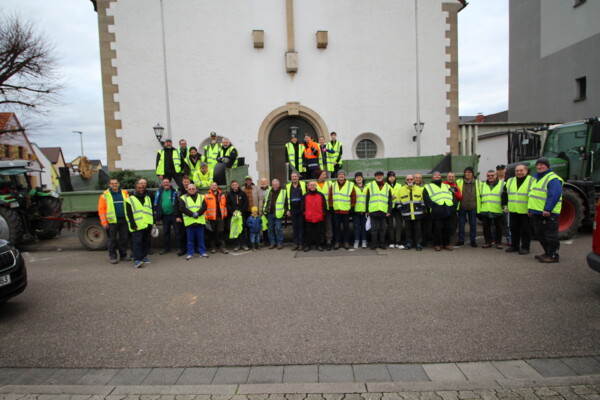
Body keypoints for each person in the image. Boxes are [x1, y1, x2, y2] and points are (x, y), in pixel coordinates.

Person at [528, 157, 563, 263]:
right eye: (537, 165)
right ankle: (547, 252)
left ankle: (553, 255)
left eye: (541, 165)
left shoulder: (553, 179)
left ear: (547, 166)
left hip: (548, 213)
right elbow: (532, 195)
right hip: (537, 212)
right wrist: (530, 209)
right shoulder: (535, 178)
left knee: (550, 235)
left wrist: (548, 209)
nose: (539, 167)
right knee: (540, 234)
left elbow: (554, 195)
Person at [503, 163, 533, 255]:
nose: (519, 172)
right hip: (513, 209)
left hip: (525, 211)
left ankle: (525, 247)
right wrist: (504, 205)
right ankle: (514, 246)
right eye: (517, 171)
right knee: (513, 228)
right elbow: (505, 194)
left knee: (526, 230)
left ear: (526, 171)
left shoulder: (532, 181)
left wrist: (531, 209)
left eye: (521, 171)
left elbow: (534, 196)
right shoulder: (510, 181)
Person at [98, 178, 130, 264]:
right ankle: (113, 256)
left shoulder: (125, 193)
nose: (114, 185)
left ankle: (123, 255)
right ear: (109, 185)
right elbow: (101, 210)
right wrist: (104, 222)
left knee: (124, 239)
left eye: (116, 183)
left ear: (118, 184)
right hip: (112, 222)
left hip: (124, 220)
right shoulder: (104, 195)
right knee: (112, 240)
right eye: (112, 183)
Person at [424, 171, 456, 251]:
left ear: (440, 177)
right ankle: (437, 244)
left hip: (447, 209)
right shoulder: (428, 187)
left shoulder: (446, 185)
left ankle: (446, 244)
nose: (437, 176)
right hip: (437, 211)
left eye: (438, 175)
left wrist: (453, 207)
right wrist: (434, 207)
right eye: (435, 175)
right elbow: (426, 199)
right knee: (437, 229)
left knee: (448, 228)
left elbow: (453, 196)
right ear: (433, 177)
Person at [126, 181, 154, 268]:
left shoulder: (147, 198)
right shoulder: (130, 199)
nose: (141, 189)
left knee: (145, 242)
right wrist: (132, 224)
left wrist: (152, 223)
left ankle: (144, 257)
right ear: (136, 189)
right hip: (137, 225)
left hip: (146, 224)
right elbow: (129, 214)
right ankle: (137, 260)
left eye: (142, 188)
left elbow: (150, 211)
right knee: (137, 243)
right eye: (139, 188)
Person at [179, 183, 209, 260]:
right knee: (190, 239)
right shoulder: (183, 198)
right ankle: (190, 253)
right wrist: (192, 214)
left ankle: (202, 252)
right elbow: (182, 208)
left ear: (196, 189)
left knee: (201, 238)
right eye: (190, 189)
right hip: (190, 221)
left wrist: (198, 213)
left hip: (199, 221)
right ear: (187, 189)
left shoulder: (201, 197)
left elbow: (204, 207)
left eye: (193, 189)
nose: (191, 190)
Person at [153, 178, 182, 255]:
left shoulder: (175, 192)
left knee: (177, 232)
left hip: (174, 215)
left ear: (170, 183)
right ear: (162, 184)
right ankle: (166, 248)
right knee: (166, 233)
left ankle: (180, 248)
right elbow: (157, 204)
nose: (166, 184)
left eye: (167, 182)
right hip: (165, 216)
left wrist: (178, 215)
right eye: (164, 182)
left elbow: (179, 204)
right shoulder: (159, 192)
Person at [329, 170, 356, 250]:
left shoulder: (350, 185)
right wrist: (331, 206)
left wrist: (352, 206)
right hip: (336, 210)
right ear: (337, 176)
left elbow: (353, 197)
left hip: (346, 210)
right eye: (339, 175)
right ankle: (337, 242)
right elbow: (330, 196)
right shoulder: (333, 185)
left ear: (345, 176)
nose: (341, 176)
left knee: (346, 227)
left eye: (342, 175)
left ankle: (346, 242)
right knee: (336, 227)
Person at [398, 174, 425, 251]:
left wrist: (421, 208)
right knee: (408, 230)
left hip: (417, 214)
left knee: (418, 229)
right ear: (405, 180)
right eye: (408, 179)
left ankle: (418, 243)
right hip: (407, 214)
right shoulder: (401, 190)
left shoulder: (419, 189)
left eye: (411, 179)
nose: (409, 181)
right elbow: (398, 202)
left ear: (413, 180)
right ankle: (409, 243)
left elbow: (423, 201)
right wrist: (402, 210)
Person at [366, 170, 392, 250]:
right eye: (377, 175)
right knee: (373, 229)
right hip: (373, 210)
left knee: (382, 229)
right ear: (375, 177)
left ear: (383, 176)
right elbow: (367, 199)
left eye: (380, 175)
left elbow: (390, 200)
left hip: (383, 210)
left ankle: (382, 244)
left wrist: (389, 211)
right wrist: (367, 210)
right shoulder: (370, 185)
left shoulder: (387, 186)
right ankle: (373, 244)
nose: (379, 177)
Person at [479, 170, 505, 249]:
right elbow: (480, 196)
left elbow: (505, 197)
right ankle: (488, 242)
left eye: (492, 175)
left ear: (496, 175)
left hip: (497, 209)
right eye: (488, 175)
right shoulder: (482, 185)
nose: (490, 177)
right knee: (486, 228)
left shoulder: (502, 184)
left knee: (498, 228)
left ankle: (498, 242)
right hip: (486, 209)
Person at [455, 167, 480, 248]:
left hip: (473, 207)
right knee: (461, 225)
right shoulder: (459, 182)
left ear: (472, 173)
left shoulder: (478, 183)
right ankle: (461, 240)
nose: (467, 174)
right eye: (466, 172)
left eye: (469, 172)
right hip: (462, 207)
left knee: (473, 225)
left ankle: (473, 241)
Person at [204, 181, 229, 254]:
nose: (214, 186)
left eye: (215, 185)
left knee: (221, 232)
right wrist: (206, 217)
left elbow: (224, 205)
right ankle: (212, 247)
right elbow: (204, 207)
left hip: (220, 217)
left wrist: (225, 215)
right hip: (211, 217)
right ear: (210, 187)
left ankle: (223, 247)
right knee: (211, 233)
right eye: (212, 185)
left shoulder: (222, 195)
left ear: (217, 186)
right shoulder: (206, 196)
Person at [262, 178, 288, 249]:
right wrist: (264, 210)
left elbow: (286, 202)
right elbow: (265, 201)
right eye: (273, 185)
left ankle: (280, 243)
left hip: (278, 213)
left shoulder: (283, 191)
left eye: (276, 185)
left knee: (279, 228)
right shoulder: (269, 191)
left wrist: (285, 210)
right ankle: (272, 243)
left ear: (279, 185)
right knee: (271, 229)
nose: (274, 186)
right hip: (270, 213)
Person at [302, 180, 327, 251]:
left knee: (319, 232)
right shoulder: (305, 196)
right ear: (308, 186)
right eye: (311, 185)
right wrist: (305, 214)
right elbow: (302, 206)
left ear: (316, 186)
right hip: (309, 217)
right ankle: (307, 246)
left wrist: (323, 214)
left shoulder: (321, 195)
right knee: (308, 232)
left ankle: (319, 245)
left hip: (318, 217)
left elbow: (324, 206)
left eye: (313, 185)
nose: (312, 186)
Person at [286, 171, 306, 251]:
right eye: (293, 176)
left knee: (301, 227)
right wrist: (288, 209)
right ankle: (296, 243)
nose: (294, 178)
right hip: (293, 209)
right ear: (291, 178)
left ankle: (301, 244)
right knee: (295, 227)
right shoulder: (288, 186)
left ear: (298, 177)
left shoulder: (303, 184)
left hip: (301, 209)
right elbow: (286, 198)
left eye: (295, 176)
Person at [226, 180, 249, 252]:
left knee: (242, 229)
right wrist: (232, 212)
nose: (235, 186)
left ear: (238, 185)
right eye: (233, 185)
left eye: (236, 185)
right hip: (234, 215)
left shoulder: (243, 193)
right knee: (236, 230)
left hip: (242, 215)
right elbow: (228, 205)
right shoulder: (229, 195)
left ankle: (244, 244)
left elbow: (246, 203)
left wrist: (242, 211)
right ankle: (237, 245)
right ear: (231, 186)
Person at [315, 169, 333, 250]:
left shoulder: (329, 183)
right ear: (319, 176)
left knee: (328, 225)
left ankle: (329, 241)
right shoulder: (314, 184)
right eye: (323, 175)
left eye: (325, 175)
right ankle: (321, 241)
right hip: (318, 210)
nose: (325, 176)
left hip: (328, 208)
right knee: (320, 227)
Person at [386, 171, 404, 249]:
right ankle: (392, 241)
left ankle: (398, 241)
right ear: (388, 178)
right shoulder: (385, 186)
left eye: (393, 176)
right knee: (390, 225)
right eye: (390, 177)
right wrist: (390, 197)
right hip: (389, 208)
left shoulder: (400, 185)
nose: (392, 178)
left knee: (399, 224)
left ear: (395, 177)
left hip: (397, 207)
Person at [175, 175, 191, 255]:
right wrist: (177, 216)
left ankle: (192, 248)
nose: (186, 183)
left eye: (187, 181)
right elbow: (176, 205)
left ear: (190, 182)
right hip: (181, 216)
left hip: (191, 215)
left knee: (191, 233)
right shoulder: (178, 191)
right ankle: (182, 249)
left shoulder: (193, 190)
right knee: (182, 233)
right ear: (182, 182)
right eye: (184, 181)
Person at [353, 172, 368, 249]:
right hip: (356, 210)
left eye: (360, 177)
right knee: (356, 227)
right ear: (355, 179)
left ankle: (364, 241)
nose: (359, 179)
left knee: (364, 227)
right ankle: (356, 241)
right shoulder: (353, 187)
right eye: (357, 177)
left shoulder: (367, 187)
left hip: (365, 210)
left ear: (362, 178)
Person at [497, 164, 511, 246]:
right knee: (496, 224)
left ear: (505, 170)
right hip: (496, 205)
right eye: (499, 169)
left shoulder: (509, 180)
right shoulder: (495, 180)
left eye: (502, 169)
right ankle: (496, 239)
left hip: (506, 205)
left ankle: (509, 239)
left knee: (507, 224)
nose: (500, 171)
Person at [257, 177, 270, 246]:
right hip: (262, 211)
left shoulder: (270, 189)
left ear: (267, 182)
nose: (263, 183)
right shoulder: (258, 190)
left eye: (265, 181)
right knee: (264, 227)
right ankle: (266, 240)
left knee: (270, 226)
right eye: (262, 182)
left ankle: (271, 240)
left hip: (269, 211)